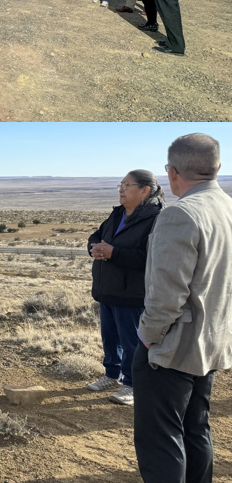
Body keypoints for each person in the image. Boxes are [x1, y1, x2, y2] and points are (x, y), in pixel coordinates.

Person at [102, 133, 232, 483]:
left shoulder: (180, 215)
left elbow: (164, 295)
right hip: (211, 343)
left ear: (173, 173)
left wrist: (146, 338)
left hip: (172, 347)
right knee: (196, 429)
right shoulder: (226, 207)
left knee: (161, 438)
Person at [87, 171, 164, 406]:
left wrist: (113, 253)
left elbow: (150, 257)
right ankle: (112, 376)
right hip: (107, 288)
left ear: (145, 191)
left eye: (127, 185)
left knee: (132, 341)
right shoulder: (117, 213)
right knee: (110, 338)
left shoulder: (157, 219)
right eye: (120, 185)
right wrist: (93, 247)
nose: (121, 189)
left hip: (132, 293)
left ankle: (132, 384)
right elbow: (97, 235)